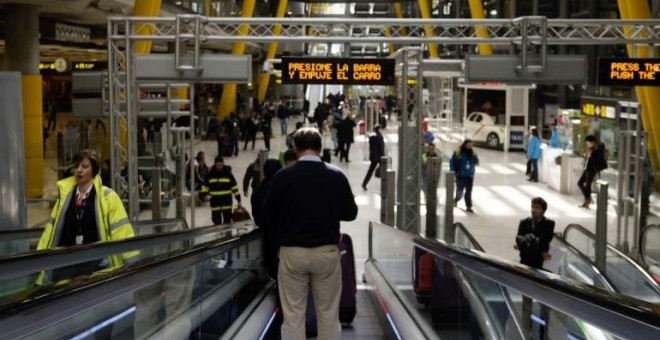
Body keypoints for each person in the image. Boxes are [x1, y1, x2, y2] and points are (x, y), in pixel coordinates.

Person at [264, 128, 358, 339]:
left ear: (295, 149)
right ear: (320, 148)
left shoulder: (282, 177)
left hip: (292, 253)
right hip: (326, 253)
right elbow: (351, 213)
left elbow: (268, 214)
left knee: (293, 317)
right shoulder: (336, 175)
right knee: (328, 316)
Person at [36, 150, 136, 284]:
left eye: (84, 166)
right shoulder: (65, 198)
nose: (79, 170)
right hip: (66, 265)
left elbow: (121, 231)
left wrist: (132, 262)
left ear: (93, 169)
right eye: (76, 166)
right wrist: (37, 259)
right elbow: (50, 231)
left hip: (96, 264)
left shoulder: (107, 197)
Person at [514, 197, 555, 339]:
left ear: (543, 210)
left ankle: (544, 335)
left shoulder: (549, 224)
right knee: (526, 303)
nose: (534, 210)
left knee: (544, 303)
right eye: (533, 207)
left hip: (541, 268)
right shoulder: (524, 223)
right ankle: (526, 334)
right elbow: (519, 241)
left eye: (537, 208)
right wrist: (531, 243)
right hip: (526, 266)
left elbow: (545, 241)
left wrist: (528, 242)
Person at [251, 159, 283, 279]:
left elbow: (256, 214)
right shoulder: (279, 188)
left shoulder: (259, 189)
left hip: (267, 237)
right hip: (281, 238)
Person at [201, 156, 242, 225]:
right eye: (217, 165)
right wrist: (204, 195)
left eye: (221, 165)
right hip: (215, 204)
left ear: (223, 164)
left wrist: (239, 200)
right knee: (217, 223)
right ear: (215, 164)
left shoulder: (228, 174)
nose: (219, 167)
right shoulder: (210, 175)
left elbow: (234, 188)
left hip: (227, 203)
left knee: (227, 223)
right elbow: (205, 187)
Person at [577, 135, 607, 208]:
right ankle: (587, 199)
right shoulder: (591, 148)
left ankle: (587, 201)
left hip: (592, 169)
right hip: (586, 168)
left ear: (593, 142)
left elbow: (598, 159)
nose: (587, 145)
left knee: (587, 185)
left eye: (588, 143)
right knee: (580, 183)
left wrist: (591, 155)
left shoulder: (598, 149)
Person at [450, 139, 479, 213]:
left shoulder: (473, 152)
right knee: (460, 191)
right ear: (465, 144)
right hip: (460, 175)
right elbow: (452, 161)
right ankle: (456, 199)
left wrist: (475, 157)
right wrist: (452, 170)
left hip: (469, 175)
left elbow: (476, 162)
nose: (470, 146)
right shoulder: (458, 151)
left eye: (471, 145)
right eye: (468, 145)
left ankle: (468, 206)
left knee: (468, 191)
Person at [362, 124, 385, 190]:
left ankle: (364, 183)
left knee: (370, 171)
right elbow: (381, 148)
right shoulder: (380, 137)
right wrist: (383, 156)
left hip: (373, 157)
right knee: (383, 172)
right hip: (379, 157)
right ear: (379, 129)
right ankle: (384, 185)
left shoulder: (372, 137)